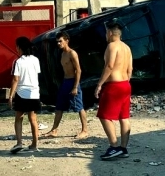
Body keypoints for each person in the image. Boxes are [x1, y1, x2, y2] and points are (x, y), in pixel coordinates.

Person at [94, 21, 133, 160]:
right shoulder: (127, 47)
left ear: (110, 32)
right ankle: (123, 148)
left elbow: (109, 66)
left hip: (114, 85)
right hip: (125, 84)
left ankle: (114, 146)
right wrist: (125, 84)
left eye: (106, 32)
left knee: (104, 116)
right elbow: (130, 70)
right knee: (124, 117)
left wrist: (100, 84)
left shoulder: (111, 46)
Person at [42, 31, 88, 139]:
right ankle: (54, 130)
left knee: (79, 106)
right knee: (59, 106)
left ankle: (85, 130)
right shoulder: (62, 54)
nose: (58, 43)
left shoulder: (72, 53)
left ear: (67, 41)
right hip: (65, 82)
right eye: (57, 42)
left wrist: (75, 87)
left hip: (73, 82)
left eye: (60, 41)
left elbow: (78, 70)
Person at [8, 36, 41, 153]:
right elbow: (37, 74)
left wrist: (11, 95)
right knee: (33, 119)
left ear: (19, 47)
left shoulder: (18, 61)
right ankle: (35, 144)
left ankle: (19, 142)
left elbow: (15, 79)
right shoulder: (35, 60)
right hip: (34, 93)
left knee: (19, 118)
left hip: (22, 93)